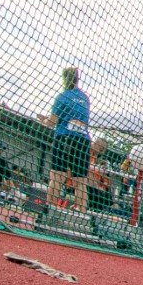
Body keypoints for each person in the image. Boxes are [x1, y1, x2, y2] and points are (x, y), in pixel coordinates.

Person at [42, 67, 92, 212]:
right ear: (77, 79)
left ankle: (50, 207)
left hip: (64, 137)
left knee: (57, 176)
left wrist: (44, 121)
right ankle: (81, 211)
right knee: (80, 181)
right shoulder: (84, 98)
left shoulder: (62, 96)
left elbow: (52, 122)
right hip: (82, 140)